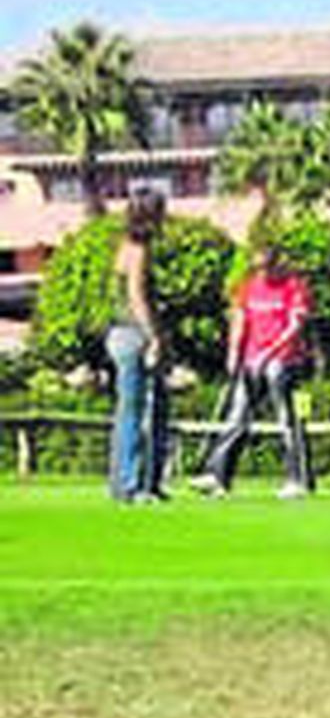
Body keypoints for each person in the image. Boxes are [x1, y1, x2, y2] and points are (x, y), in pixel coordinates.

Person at [191, 244, 314, 500]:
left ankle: (298, 479)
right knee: (238, 416)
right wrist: (233, 352)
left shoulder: (293, 287)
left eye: (267, 267)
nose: (262, 273)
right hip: (250, 360)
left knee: (285, 419)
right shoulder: (248, 286)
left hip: (283, 359)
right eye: (258, 268)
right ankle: (218, 476)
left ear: (277, 264)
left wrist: (270, 353)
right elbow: (240, 319)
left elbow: (294, 327)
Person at [106, 189, 169, 502]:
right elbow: (137, 296)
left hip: (119, 333)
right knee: (139, 409)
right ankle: (133, 485)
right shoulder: (139, 250)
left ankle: (136, 482)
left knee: (131, 409)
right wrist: (154, 336)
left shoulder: (123, 246)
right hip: (133, 334)